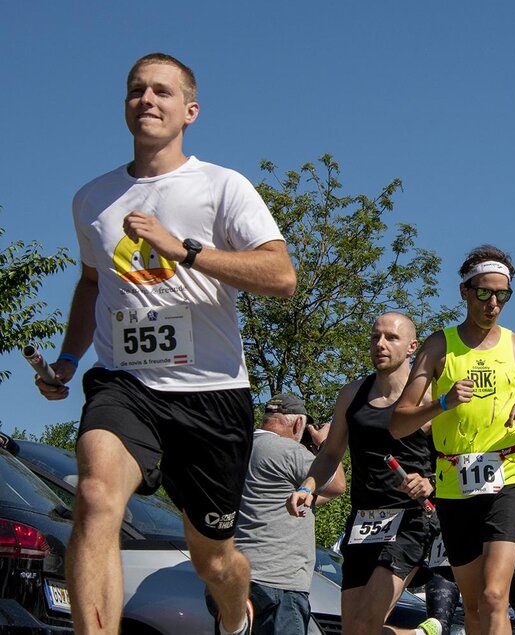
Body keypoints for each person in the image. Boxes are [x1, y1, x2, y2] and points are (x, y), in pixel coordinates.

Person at [35, 52, 297, 635]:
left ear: (190, 111)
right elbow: (92, 283)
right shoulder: (92, 199)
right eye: (136, 90)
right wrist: (69, 359)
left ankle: (234, 614)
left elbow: (282, 276)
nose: (147, 100)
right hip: (126, 384)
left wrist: (186, 251)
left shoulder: (221, 186)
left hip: (212, 395)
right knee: (96, 496)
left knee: (214, 560)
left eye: (161, 91)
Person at [392, 245, 515, 635]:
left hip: (509, 474)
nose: (493, 303)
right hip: (454, 482)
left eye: (503, 295)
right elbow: (399, 423)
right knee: (472, 606)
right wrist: (442, 403)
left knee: (494, 596)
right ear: (464, 291)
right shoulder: (438, 346)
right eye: (484, 292)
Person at [287, 312, 448, 635]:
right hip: (363, 521)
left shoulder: (431, 397)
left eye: (391, 337)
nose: (380, 344)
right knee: (354, 631)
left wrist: (430, 482)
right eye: (375, 337)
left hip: (410, 519)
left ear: (412, 347)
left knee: (364, 624)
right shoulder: (352, 394)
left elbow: (453, 458)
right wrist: (308, 485)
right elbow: (330, 453)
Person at [227, 394, 345, 633]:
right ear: (299, 423)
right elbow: (337, 485)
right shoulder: (288, 450)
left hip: (233, 576)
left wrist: (305, 492)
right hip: (277, 580)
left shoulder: (236, 447)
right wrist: (326, 446)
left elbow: (287, 498)